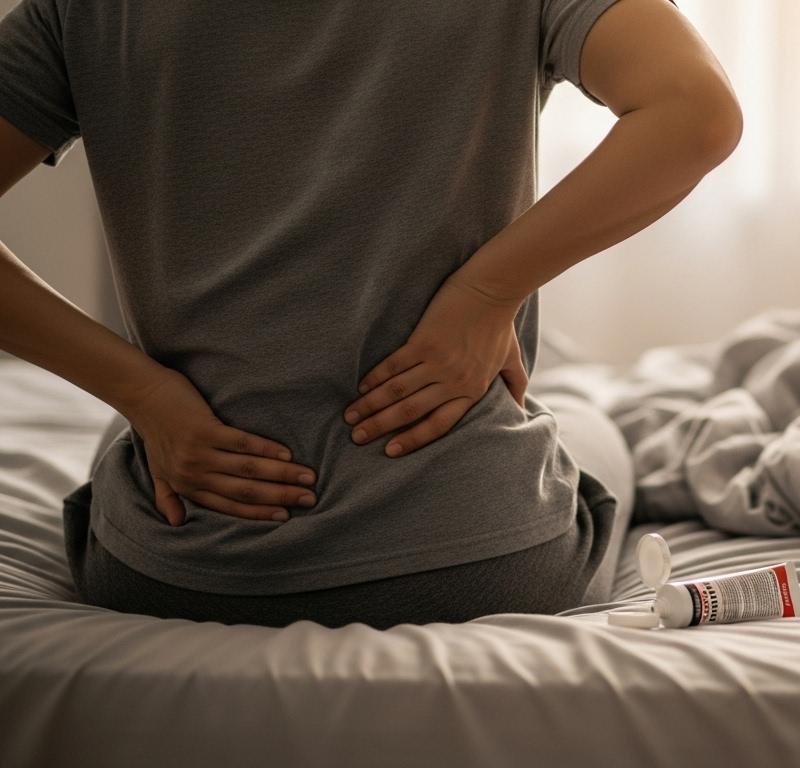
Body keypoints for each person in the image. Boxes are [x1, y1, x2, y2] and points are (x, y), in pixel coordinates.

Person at [0, 0, 742, 629]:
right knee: (593, 420)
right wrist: (484, 296)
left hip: (180, 573)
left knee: (121, 423)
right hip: (476, 557)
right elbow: (696, 110)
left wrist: (144, 394)